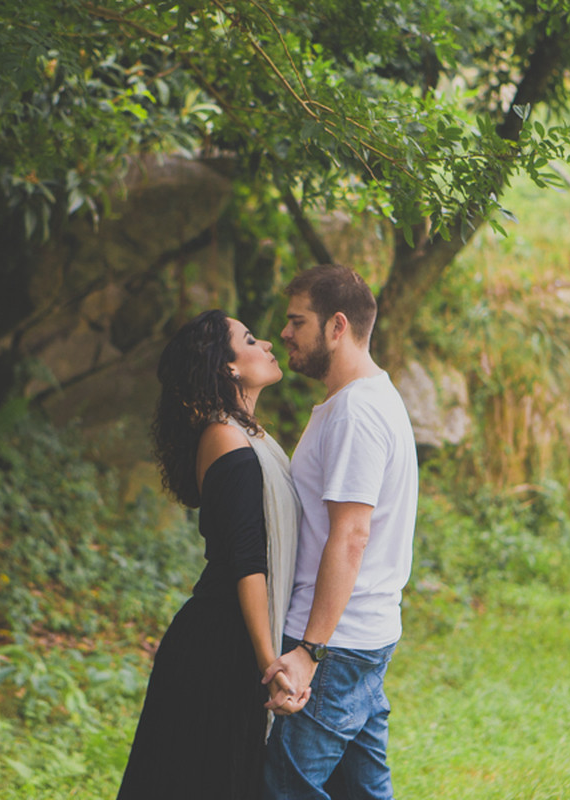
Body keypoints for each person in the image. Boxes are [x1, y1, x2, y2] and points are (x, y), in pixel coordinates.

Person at [117, 309, 305, 800]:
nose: (267, 343)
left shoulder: (246, 434)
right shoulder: (225, 437)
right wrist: (270, 664)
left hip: (234, 640)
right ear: (228, 368)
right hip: (221, 647)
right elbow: (247, 560)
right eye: (249, 339)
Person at [262, 265, 419, 800]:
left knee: (284, 788)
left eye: (296, 321)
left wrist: (310, 650)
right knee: (361, 792)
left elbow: (351, 536)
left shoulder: (356, 412)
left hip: (337, 644)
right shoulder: (364, 398)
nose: (284, 333)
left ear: (337, 326)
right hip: (361, 638)